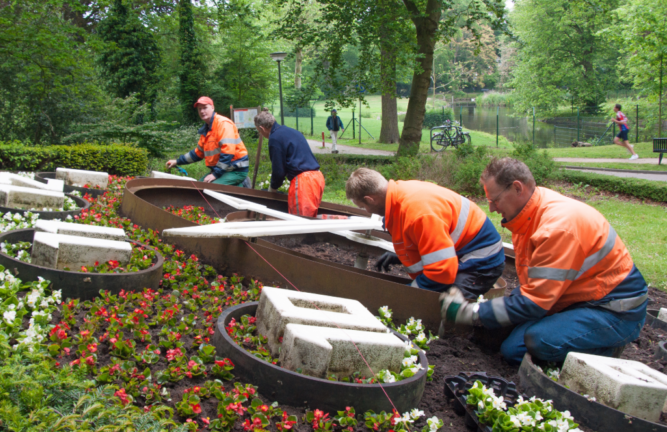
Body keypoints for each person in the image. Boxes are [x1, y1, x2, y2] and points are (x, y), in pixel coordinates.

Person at [440, 158, 648, 365]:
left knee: (534, 344)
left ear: (517, 188)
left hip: (614, 310)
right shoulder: (529, 214)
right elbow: (534, 287)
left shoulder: (557, 227)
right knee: (506, 342)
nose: (492, 208)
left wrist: (469, 313)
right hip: (575, 298)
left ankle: (604, 351)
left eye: (495, 200)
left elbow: (534, 303)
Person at [345, 168, 505, 298]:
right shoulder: (399, 197)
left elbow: (441, 272)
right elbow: (428, 242)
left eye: (363, 207)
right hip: (462, 250)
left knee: (446, 305)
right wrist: (402, 256)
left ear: (370, 199)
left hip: (482, 257)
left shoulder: (418, 213)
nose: (366, 211)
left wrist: (405, 296)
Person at [254, 110, 325, 217]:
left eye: (259, 131)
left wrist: (272, 189)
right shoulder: (290, 131)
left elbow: (278, 171)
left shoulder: (275, 138)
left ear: (262, 128)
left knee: (300, 221)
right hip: (317, 177)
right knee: (310, 218)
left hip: (304, 182)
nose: (261, 134)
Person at [166, 96, 249, 186]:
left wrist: (215, 174)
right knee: (197, 188)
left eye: (205, 108)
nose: (202, 111)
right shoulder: (206, 130)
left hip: (235, 170)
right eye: (199, 109)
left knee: (208, 189)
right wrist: (177, 161)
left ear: (212, 108)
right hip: (223, 170)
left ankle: (241, 185)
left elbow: (227, 152)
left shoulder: (223, 124)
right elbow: (197, 153)